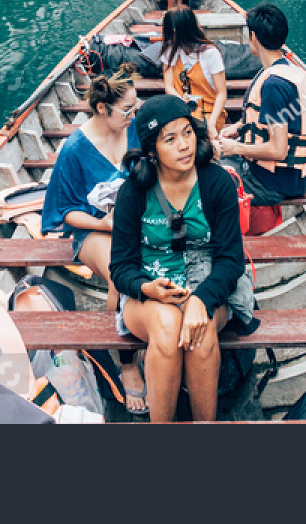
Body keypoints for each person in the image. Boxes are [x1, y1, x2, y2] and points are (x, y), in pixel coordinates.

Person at [110, 95, 251, 423]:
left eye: (187, 133)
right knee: (167, 325)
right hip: (149, 296)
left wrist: (202, 300)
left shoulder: (216, 183)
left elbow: (231, 259)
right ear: (151, 151)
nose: (184, 145)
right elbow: (121, 267)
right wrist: (148, 289)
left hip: (210, 289)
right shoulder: (133, 192)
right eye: (169, 139)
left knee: (200, 336)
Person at [38, 65, 148, 412]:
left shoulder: (134, 131)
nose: (134, 114)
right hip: (96, 231)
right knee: (123, 264)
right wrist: (110, 225)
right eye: (127, 109)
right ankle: (127, 362)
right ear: (103, 108)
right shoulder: (74, 149)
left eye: (136, 107)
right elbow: (64, 213)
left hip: (140, 222)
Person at [216, 2, 306, 207]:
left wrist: (236, 147)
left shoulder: (273, 85)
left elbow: (278, 150)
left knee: (203, 178)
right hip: (289, 178)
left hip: (270, 184)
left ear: (253, 37)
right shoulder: (285, 69)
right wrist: (239, 128)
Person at [160, 6, 227, 139]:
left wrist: (211, 124)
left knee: (195, 137)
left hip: (208, 112)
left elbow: (221, 93)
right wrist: (182, 103)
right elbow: (169, 87)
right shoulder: (170, 50)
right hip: (181, 111)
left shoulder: (210, 53)